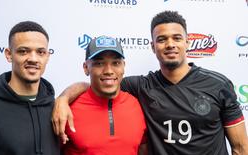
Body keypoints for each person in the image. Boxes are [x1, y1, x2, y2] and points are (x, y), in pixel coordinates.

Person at [52, 11, 248, 155]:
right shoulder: (141, 86)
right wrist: (63, 99)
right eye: (162, 39)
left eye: (177, 38)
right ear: (153, 46)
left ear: (187, 42)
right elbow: (101, 85)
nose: (170, 44)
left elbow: (240, 148)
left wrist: (63, 98)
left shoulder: (218, 84)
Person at [0, 21, 60, 155]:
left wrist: (66, 97)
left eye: (40, 52)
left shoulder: (58, 110)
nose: (33, 59)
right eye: (23, 51)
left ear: (47, 56)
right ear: (8, 54)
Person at [62, 35, 147, 155]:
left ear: (123, 66)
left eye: (116, 63)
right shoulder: (67, 109)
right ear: (86, 68)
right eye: (99, 63)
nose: (108, 71)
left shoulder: (136, 104)